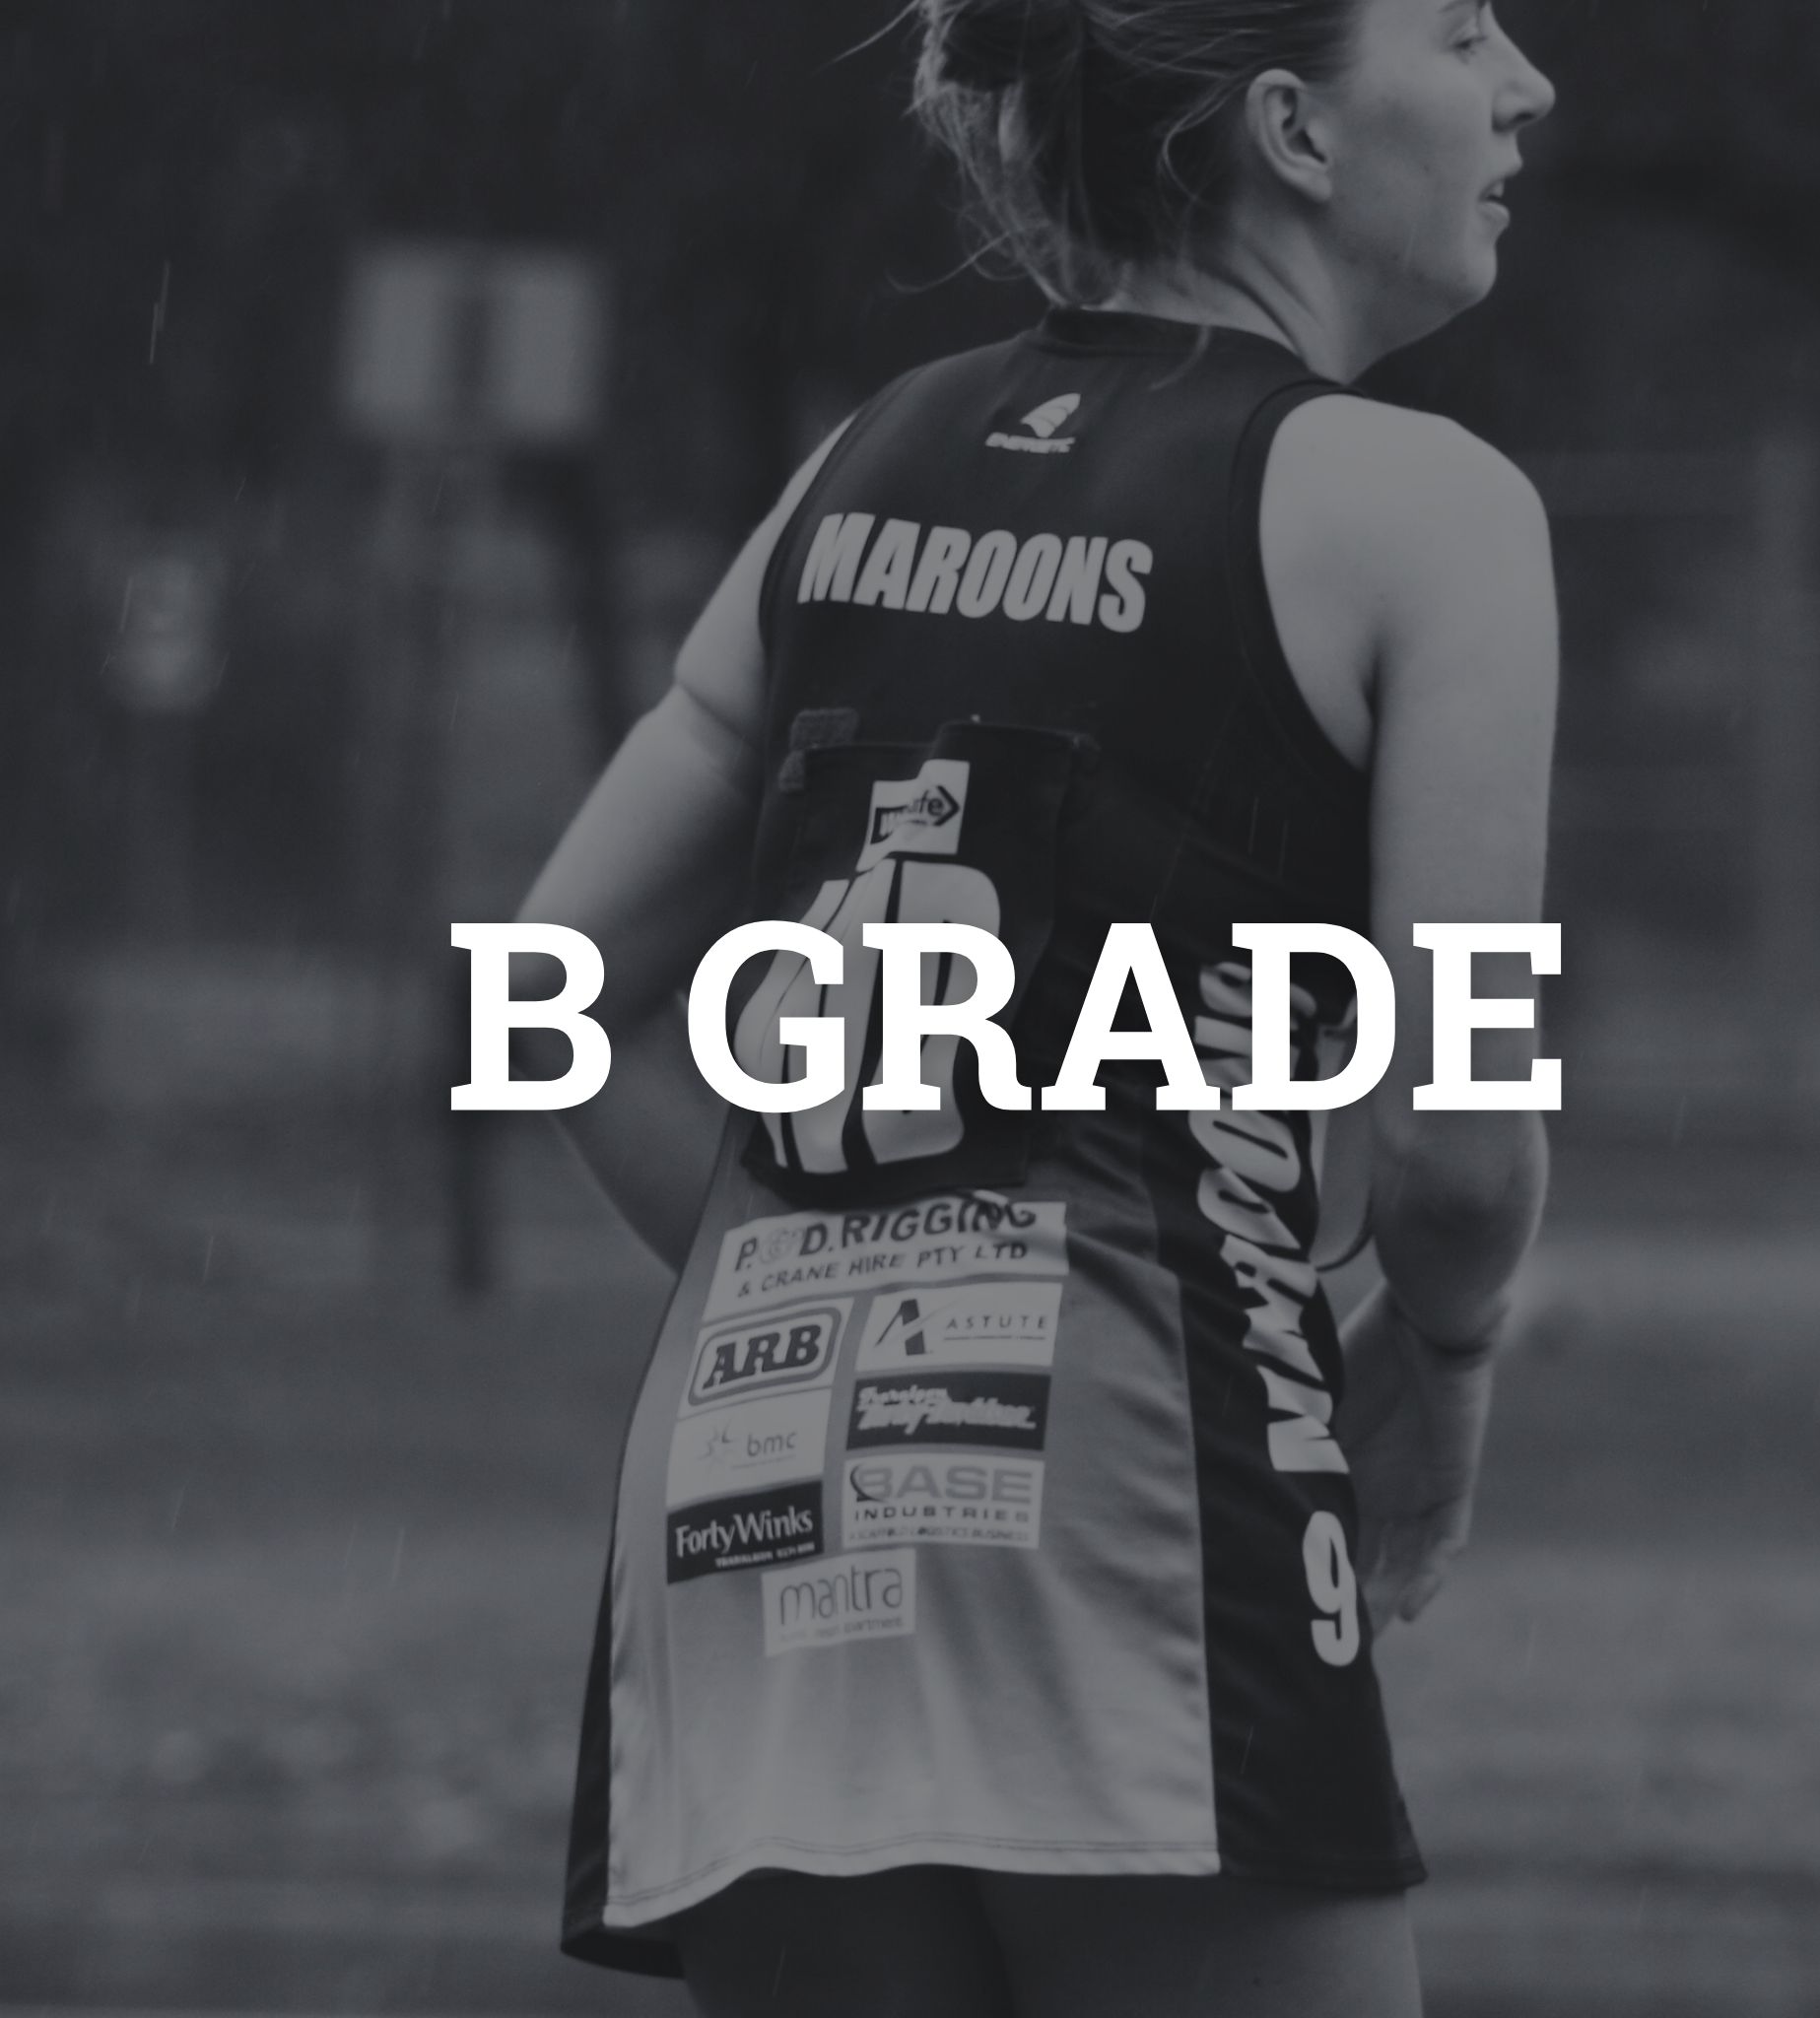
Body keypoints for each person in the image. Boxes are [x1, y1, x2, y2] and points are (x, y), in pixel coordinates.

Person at [523, 1, 1557, 2011]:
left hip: (755, 1484)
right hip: (1135, 1492)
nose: (1525, 82)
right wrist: (1441, 1369)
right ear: (1293, 131)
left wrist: (831, 1275)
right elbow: (1451, 1150)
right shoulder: (1429, 509)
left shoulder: (858, 461)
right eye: (1458, 32)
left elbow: (547, 992)